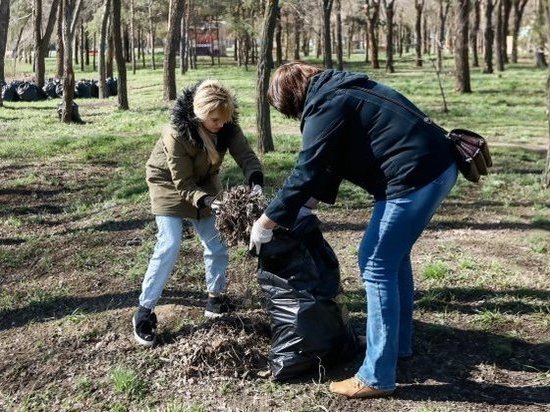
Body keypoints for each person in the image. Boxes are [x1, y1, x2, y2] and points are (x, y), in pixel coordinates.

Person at [249, 62, 458, 398]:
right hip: (435, 168)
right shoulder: (342, 89)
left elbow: (308, 168)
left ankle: (376, 375)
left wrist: (266, 221)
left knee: (374, 264)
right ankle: (396, 346)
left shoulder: (326, 103)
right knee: (392, 259)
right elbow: (329, 163)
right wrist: (303, 207)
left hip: (415, 177)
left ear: (292, 99)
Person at [133, 79, 264, 347]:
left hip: (204, 181)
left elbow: (247, 157)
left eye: (224, 119)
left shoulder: (226, 124)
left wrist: (256, 181)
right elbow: (183, 184)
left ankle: (215, 300)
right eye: (215, 120)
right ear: (200, 114)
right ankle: (144, 312)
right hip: (168, 183)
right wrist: (207, 202)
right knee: (169, 243)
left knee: (216, 242)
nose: (221, 125)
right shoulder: (176, 132)